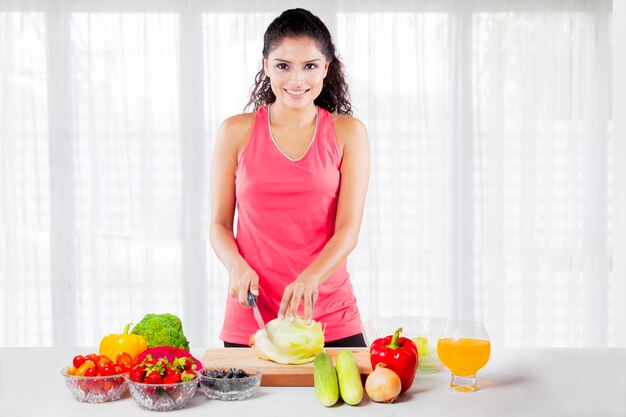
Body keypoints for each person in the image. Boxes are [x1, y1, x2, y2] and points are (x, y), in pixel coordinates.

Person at [210, 8, 370, 348]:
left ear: (326, 68)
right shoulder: (235, 132)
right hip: (252, 319)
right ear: (266, 65)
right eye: (283, 65)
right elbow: (220, 225)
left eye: (309, 66)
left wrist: (311, 279)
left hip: (330, 319)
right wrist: (235, 265)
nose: (297, 80)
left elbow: (348, 230)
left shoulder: (348, 134)